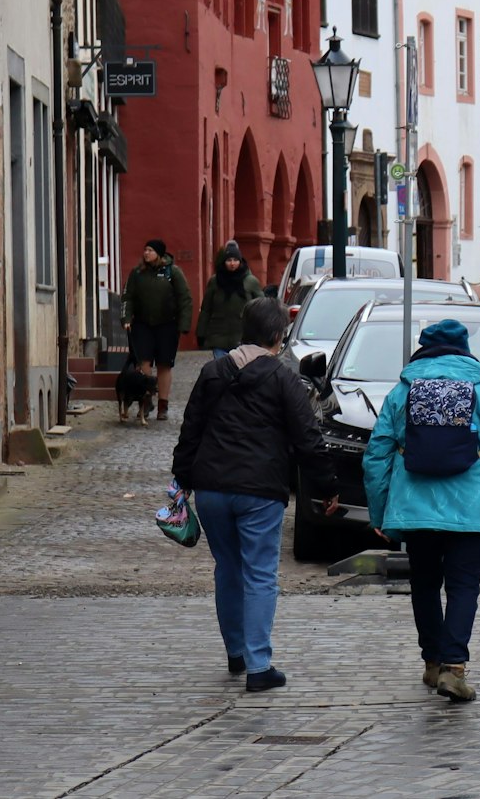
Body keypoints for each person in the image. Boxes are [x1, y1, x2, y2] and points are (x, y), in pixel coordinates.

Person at [171, 297, 340, 693]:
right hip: (260, 491)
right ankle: (259, 665)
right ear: (278, 335)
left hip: (212, 490)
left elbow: (190, 429)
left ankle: (236, 652)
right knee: (260, 573)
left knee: (228, 569)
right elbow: (308, 438)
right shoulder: (283, 378)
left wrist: (182, 480)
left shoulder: (213, 372)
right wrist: (327, 486)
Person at [363, 319, 480, 704]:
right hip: (472, 511)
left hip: (416, 509)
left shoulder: (402, 393)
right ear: (465, 351)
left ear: (423, 350)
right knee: (463, 586)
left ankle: (432, 662)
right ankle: (453, 668)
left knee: (424, 584)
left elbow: (376, 456)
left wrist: (379, 513)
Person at [124, 239, 193, 420]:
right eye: (145, 250)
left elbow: (184, 298)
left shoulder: (173, 272)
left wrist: (184, 324)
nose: (146, 253)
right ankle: (146, 400)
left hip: (167, 325)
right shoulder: (137, 273)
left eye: (151, 250)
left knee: (164, 364)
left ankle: (163, 404)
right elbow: (127, 297)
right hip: (142, 324)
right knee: (143, 363)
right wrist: (126, 318)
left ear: (159, 254)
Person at [196, 241, 264, 358]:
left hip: (243, 336)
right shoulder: (215, 281)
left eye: (235, 260)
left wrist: (261, 331)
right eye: (229, 260)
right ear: (224, 262)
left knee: (240, 367)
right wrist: (201, 333)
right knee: (222, 367)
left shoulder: (250, 281)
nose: (232, 263)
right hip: (218, 336)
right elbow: (206, 309)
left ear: (240, 261)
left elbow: (261, 307)